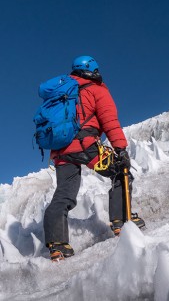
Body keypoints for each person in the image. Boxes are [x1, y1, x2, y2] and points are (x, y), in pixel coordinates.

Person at [43, 55, 145, 261]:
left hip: (62, 151)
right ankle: (122, 221)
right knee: (120, 171)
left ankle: (58, 245)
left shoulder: (63, 93)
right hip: (86, 145)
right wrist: (120, 149)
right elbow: (110, 120)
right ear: (93, 70)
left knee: (63, 194)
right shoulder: (96, 89)